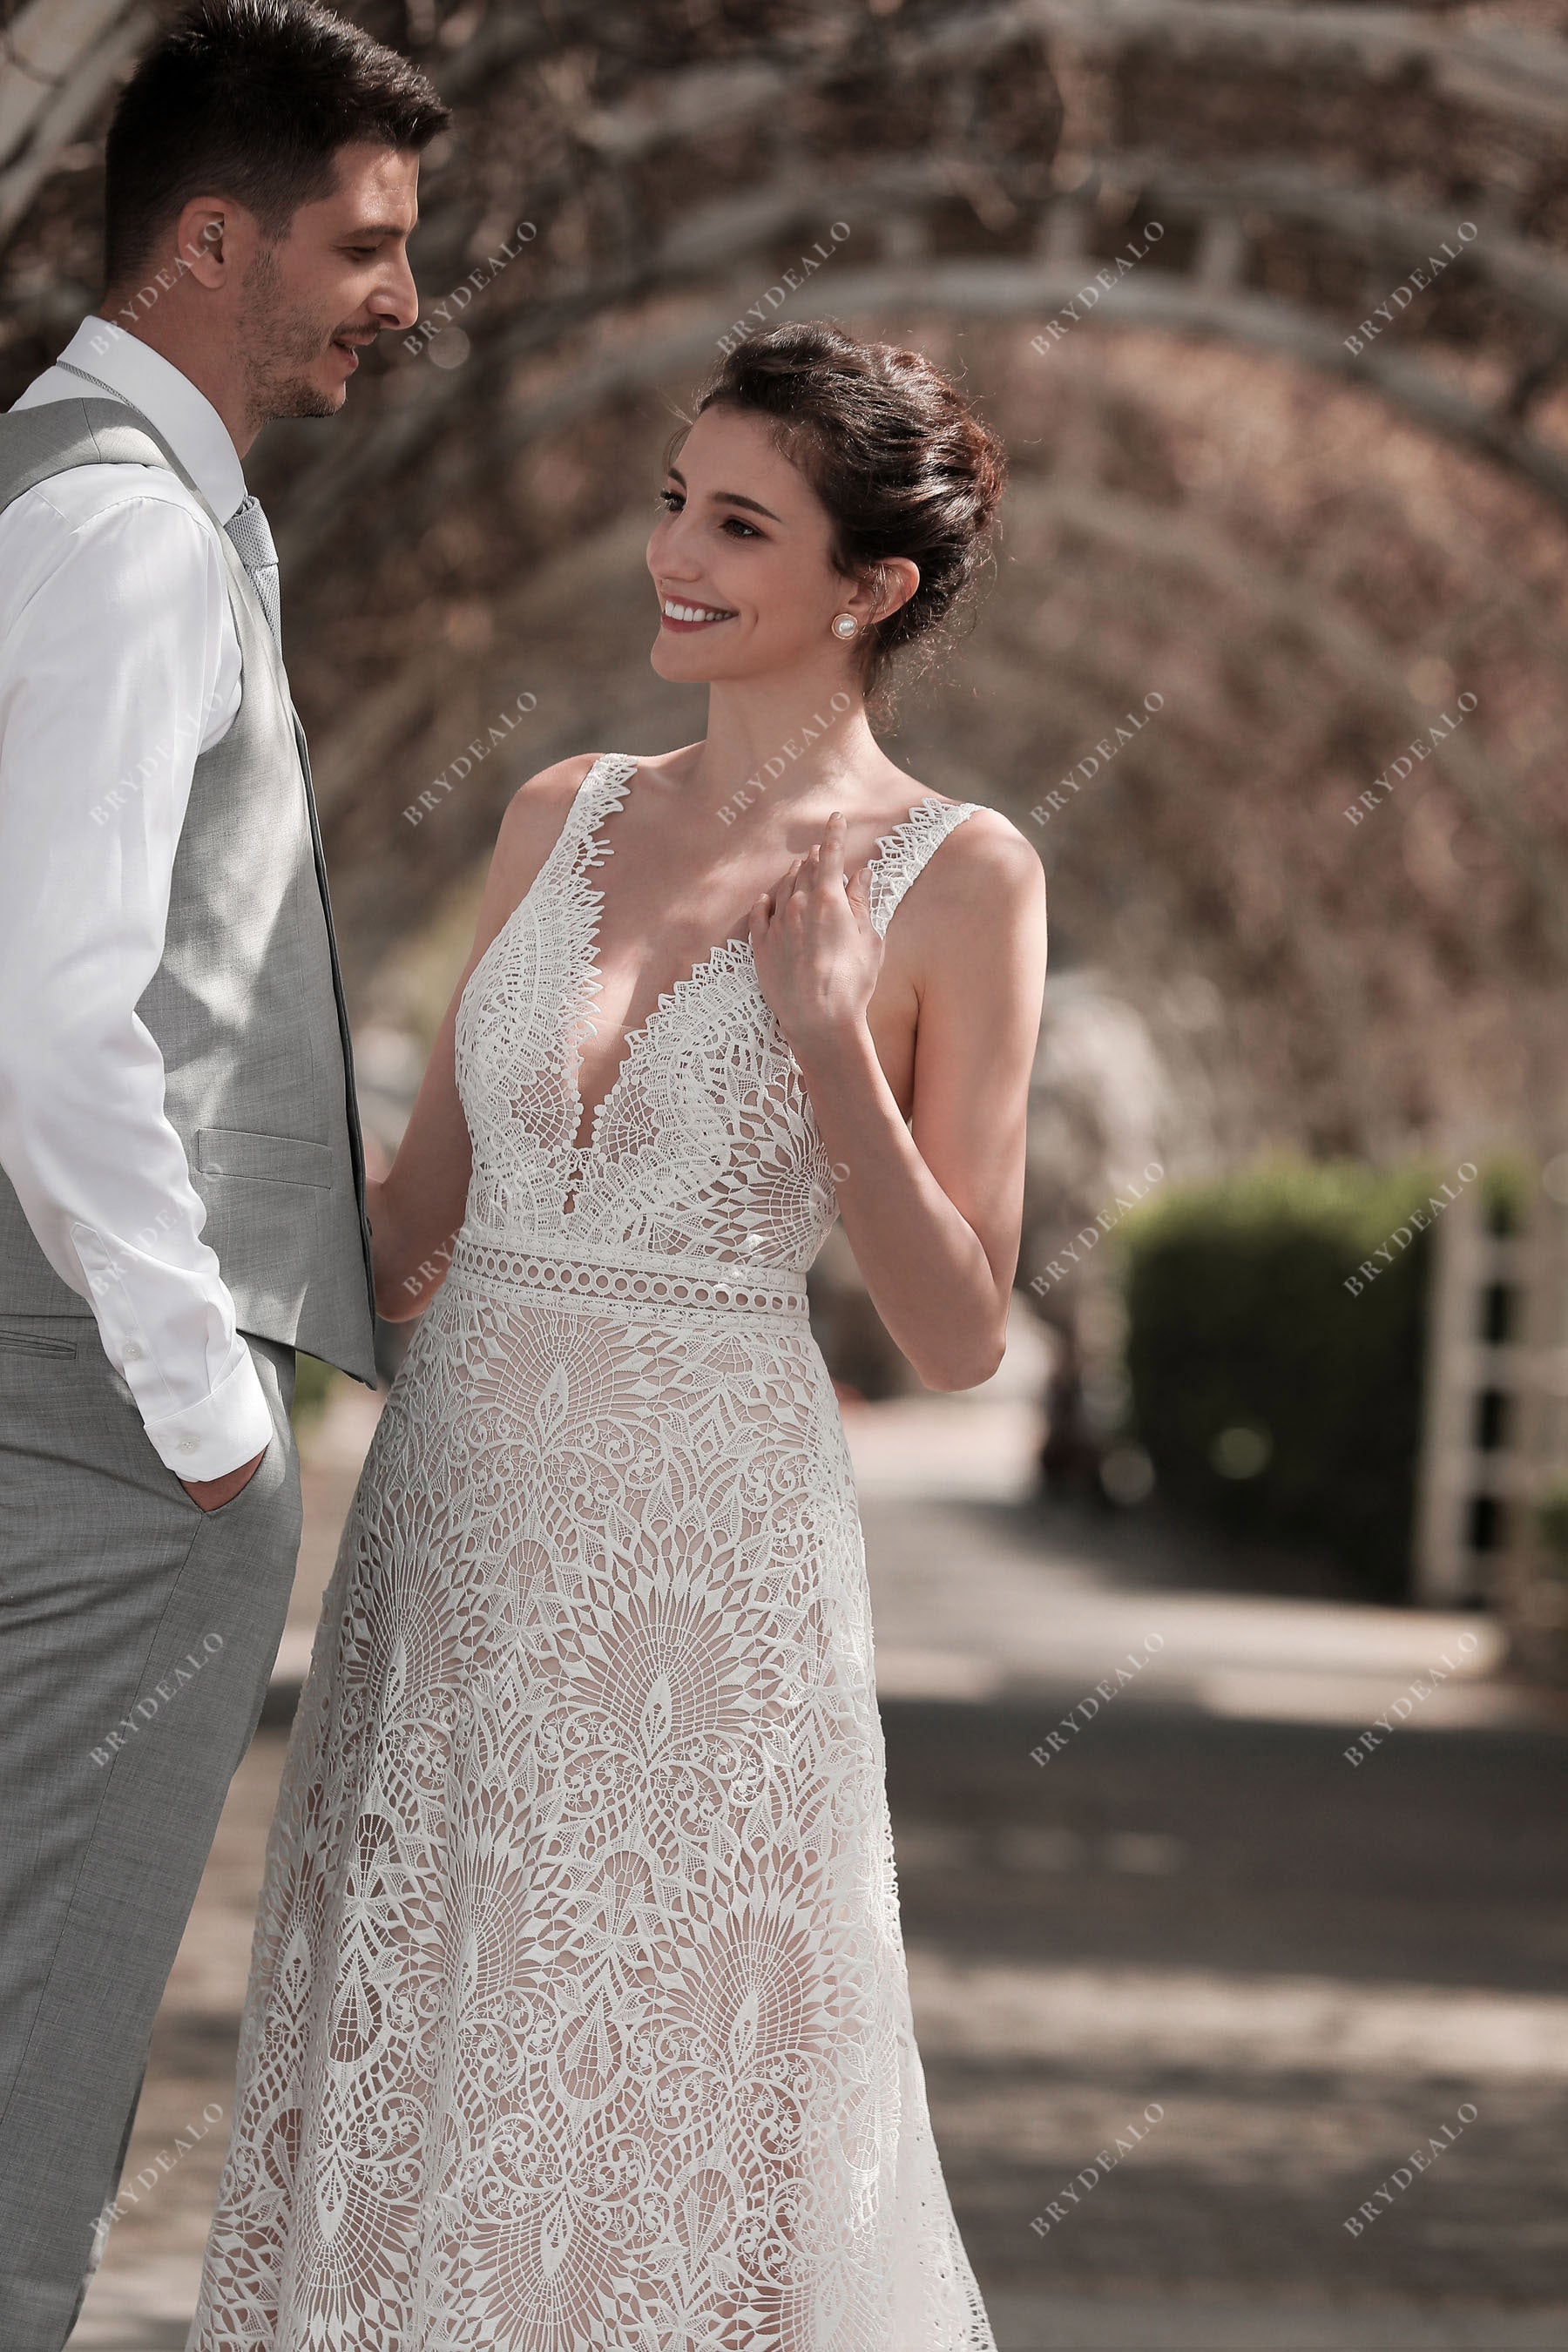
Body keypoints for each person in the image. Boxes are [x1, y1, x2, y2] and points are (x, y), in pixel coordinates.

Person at [190, 321, 1046, 2349]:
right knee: (431, 2017)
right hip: (453, 1533)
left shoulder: (964, 876)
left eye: (738, 523)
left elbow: (957, 1334)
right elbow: (411, 1227)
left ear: (872, 586)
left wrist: (834, 1045)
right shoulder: (556, 813)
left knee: (666, 2054)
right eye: (673, 499)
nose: (671, 548)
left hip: (707, 1571)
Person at [0, 5, 446, 2343]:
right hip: (88, 1413)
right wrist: (209, 1417)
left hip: (70, 1390)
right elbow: (57, 1020)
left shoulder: (107, 502)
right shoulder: (118, 531)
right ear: (209, 237)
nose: (406, 294)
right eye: (366, 242)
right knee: (37, 2048)